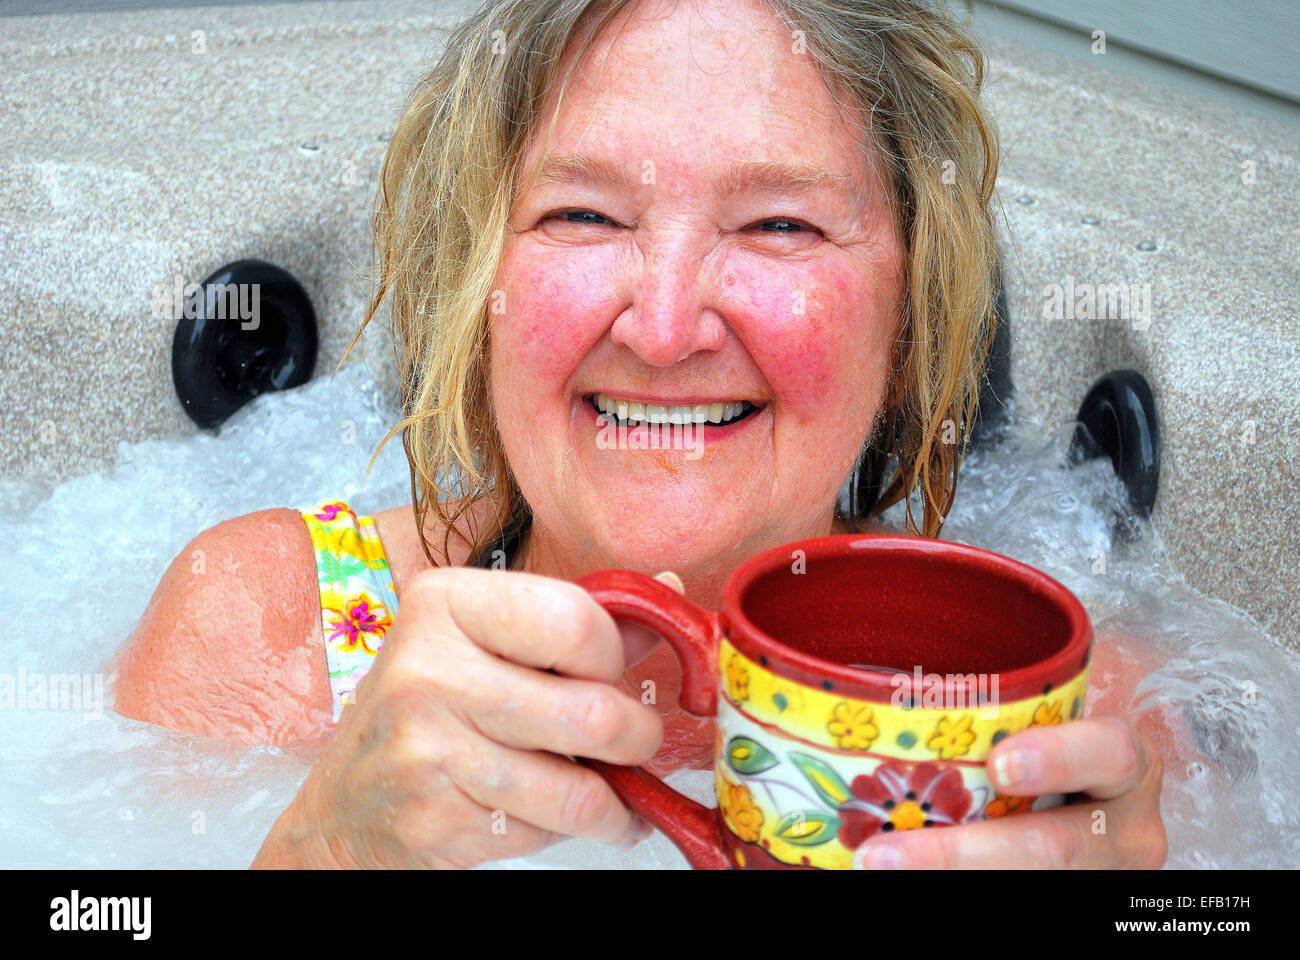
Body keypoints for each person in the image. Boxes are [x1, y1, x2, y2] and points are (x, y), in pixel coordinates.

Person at [113, 0, 1166, 869]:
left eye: (778, 225)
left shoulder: (1076, 732)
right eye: (584, 215)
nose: (663, 332)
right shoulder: (263, 632)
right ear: (479, 285)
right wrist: (320, 854)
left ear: (908, 312)